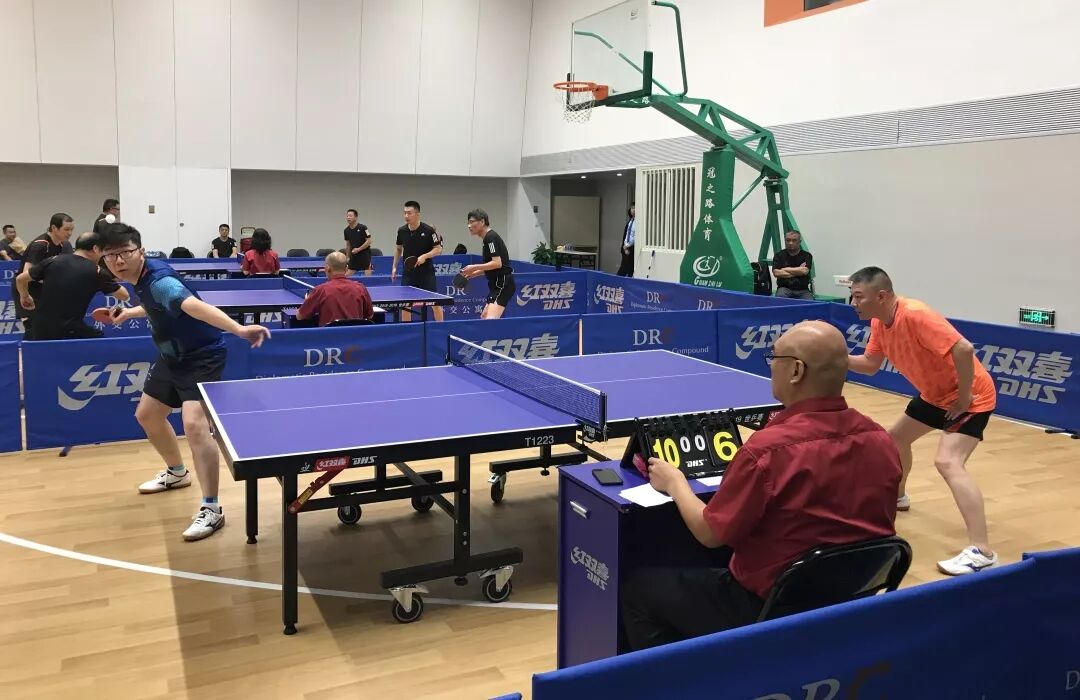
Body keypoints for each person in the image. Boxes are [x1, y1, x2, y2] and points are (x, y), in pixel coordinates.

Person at [620, 321, 901, 650]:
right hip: (852, 598)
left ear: (795, 371)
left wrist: (675, 482)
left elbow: (710, 534)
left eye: (774, 358)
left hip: (770, 608)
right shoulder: (881, 439)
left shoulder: (767, 451)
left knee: (639, 589)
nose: (770, 366)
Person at [95, 223, 270, 541]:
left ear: (140, 251)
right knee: (147, 416)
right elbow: (156, 306)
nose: (118, 261)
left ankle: (212, 508)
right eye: (111, 255)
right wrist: (129, 314)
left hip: (201, 357)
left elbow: (193, 307)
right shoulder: (141, 278)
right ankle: (177, 473)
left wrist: (239, 330)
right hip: (172, 357)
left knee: (194, 425)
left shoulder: (160, 281)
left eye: (125, 252)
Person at [846, 266, 998, 575]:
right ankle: (899, 496)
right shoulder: (879, 322)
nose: (853, 303)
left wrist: (964, 397)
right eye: (852, 296)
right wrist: (832, 355)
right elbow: (871, 365)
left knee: (948, 462)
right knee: (894, 441)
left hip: (971, 399)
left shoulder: (915, 314)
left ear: (881, 296)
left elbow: (964, 348)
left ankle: (982, 551)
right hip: (935, 396)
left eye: (859, 297)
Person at [19, 231, 129, 340]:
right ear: (95, 248)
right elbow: (124, 295)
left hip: (39, 330)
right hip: (69, 330)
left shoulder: (53, 260)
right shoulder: (97, 271)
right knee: (101, 344)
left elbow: (20, 279)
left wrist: (25, 296)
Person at [13, 213, 75, 338]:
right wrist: (25, 295)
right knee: (33, 328)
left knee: (50, 326)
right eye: (66, 229)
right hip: (26, 288)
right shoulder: (40, 245)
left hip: (43, 289)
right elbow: (25, 274)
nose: (70, 233)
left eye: (72, 229)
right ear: (54, 228)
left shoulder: (63, 245)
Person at [393, 200, 443, 321]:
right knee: (405, 305)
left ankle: (441, 327)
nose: (406, 216)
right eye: (404, 213)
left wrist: (424, 256)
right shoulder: (401, 231)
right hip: (408, 273)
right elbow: (398, 249)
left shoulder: (429, 230)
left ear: (417, 214)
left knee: (435, 303)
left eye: (409, 213)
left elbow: (438, 249)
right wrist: (394, 267)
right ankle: (407, 329)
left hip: (426, 273)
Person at [461, 209, 515, 320]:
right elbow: (493, 266)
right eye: (468, 223)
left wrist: (474, 267)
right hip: (496, 284)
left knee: (490, 321)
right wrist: (474, 273)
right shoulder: (487, 239)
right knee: (484, 317)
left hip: (503, 284)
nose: (469, 226)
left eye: (472, 222)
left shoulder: (490, 237)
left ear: (482, 222)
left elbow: (497, 263)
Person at [295, 252, 374, 326]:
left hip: (329, 336)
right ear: (346, 269)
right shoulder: (360, 288)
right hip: (356, 335)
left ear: (328, 268)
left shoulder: (321, 290)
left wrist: (307, 301)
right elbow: (370, 315)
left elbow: (300, 316)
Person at [772, 230, 815, 300]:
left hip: (803, 290)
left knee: (810, 303)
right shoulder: (779, 255)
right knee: (780, 300)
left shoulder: (807, 255)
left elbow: (804, 271)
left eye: (794, 240)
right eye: (788, 240)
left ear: (799, 242)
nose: (790, 243)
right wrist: (798, 271)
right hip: (784, 289)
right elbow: (776, 273)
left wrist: (785, 269)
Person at [344, 208, 373, 276]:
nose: (348, 217)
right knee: (347, 274)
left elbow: (369, 241)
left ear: (356, 217)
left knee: (367, 271)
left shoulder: (363, 228)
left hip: (364, 254)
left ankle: (368, 282)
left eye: (350, 216)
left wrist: (359, 249)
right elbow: (348, 244)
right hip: (354, 255)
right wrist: (347, 257)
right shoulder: (346, 230)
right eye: (347, 216)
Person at [617, 204, 636, 277]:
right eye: (632, 208)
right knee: (623, 269)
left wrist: (627, 246)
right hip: (625, 247)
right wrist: (624, 245)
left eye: (634, 208)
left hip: (631, 248)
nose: (633, 210)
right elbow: (627, 234)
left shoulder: (638, 222)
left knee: (629, 269)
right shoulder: (630, 221)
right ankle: (616, 282)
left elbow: (635, 237)